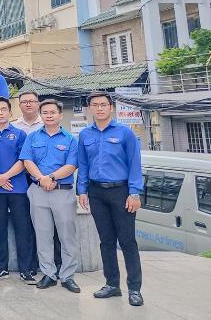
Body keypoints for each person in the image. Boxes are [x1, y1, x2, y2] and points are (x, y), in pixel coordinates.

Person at [77, 92, 145, 307]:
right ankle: (112, 284)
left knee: (127, 242)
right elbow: (84, 164)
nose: (99, 108)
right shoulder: (85, 135)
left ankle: (134, 288)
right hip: (96, 192)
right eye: (95, 105)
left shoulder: (125, 133)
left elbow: (135, 164)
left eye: (103, 105)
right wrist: (82, 190)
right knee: (106, 242)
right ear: (89, 109)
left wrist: (135, 193)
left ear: (111, 108)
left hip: (121, 192)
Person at [20, 99, 81, 293]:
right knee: (43, 234)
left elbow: (72, 165)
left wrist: (51, 177)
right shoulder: (32, 137)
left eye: (52, 112)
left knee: (67, 236)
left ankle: (68, 275)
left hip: (62, 191)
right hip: (38, 191)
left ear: (60, 115)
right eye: (45, 112)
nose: (49, 115)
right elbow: (27, 160)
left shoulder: (71, 139)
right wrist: (40, 178)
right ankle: (49, 273)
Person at [0, 97, 35, 282]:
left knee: (23, 228)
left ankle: (26, 269)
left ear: (10, 112)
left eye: (4, 109)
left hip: (18, 188)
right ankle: (0, 267)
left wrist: (6, 176)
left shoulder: (20, 134)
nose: (0, 112)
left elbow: (24, 160)